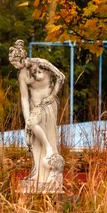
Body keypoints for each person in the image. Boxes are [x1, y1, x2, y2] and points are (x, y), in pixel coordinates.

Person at [9, 40, 65, 193]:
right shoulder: (22, 75)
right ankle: (39, 174)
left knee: (47, 134)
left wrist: (52, 95)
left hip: (48, 105)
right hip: (34, 106)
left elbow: (61, 77)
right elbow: (24, 98)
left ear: (23, 58)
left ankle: (50, 170)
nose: (15, 66)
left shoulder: (41, 63)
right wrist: (26, 119)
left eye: (16, 62)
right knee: (34, 139)